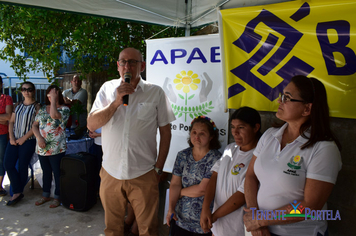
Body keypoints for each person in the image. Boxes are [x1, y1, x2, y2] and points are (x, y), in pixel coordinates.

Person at [87, 47, 175, 236]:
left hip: (144, 173)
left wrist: (159, 168)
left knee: (148, 230)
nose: (127, 66)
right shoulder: (107, 89)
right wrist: (116, 102)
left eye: (132, 62)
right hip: (111, 173)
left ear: (142, 66)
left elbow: (166, 133)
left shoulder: (156, 92)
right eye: (123, 62)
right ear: (118, 66)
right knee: (112, 229)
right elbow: (92, 124)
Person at [243, 75, 342, 236]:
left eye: (287, 98)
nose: (279, 101)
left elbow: (310, 206)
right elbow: (250, 176)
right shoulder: (270, 135)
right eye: (282, 96)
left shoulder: (324, 148)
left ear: (307, 109)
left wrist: (261, 220)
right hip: (258, 230)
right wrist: (256, 218)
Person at [200, 107, 262, 236]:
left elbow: (242, 195)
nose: (235, 132)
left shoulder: (259, 157)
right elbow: (214, 177)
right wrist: (205, 209)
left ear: (256, 128)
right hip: (217, 228)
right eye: (233, 127)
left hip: (238, 229)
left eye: (241, 127)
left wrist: (214, 216)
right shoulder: (230, 149)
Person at [166, 116, 221, 236]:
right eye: (194, 132)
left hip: (203, 224)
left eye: (202, 133)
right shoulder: (182, 155)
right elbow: (175, 183)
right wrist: (170, 208)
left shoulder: (216, 158)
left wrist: (179, 193)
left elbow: (203, 189)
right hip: (179, 220)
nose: (196, 137)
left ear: (211, 137)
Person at [32, 85, 70, 208]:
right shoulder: (42, 109)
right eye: (50, 93)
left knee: (57, 172)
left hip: (57, 148)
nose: (51, 95)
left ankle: (58, 197)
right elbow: (34, 126)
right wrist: (39, 138)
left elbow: (54, 115)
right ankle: (46, 194)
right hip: (42, 147)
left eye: (54, 93)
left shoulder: (64, 109)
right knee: (46, 172)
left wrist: (54, 100)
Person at [4, 82, 41, 206]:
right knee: (7, 164)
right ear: (21, 91)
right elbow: (11, 122)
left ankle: (16, 193)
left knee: (22, 166)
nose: (26, 91)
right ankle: (18, 190)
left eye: (29, 89)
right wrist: (11, 137)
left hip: (28, 141)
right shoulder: (17, 105)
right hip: (14, 139)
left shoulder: (37, 106)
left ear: (34, 91)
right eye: (24, 89)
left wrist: (24, 138)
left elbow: (36, 125)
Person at [0, 75, 13, 196]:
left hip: (2, 134)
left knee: (1, 160)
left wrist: (5, 118)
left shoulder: (6, 98)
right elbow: (4, 118)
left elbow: (8, 117)